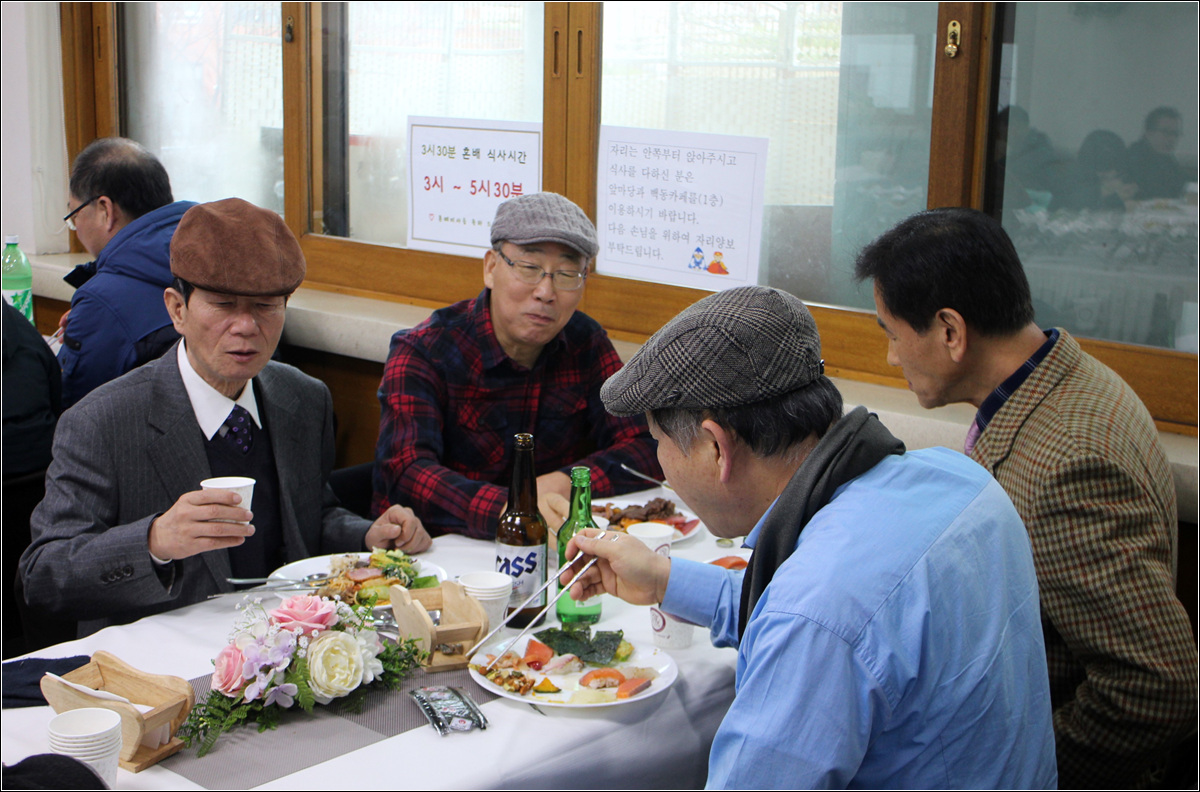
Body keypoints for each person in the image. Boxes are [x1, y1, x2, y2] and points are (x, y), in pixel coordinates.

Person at [562, 286, 1058, 789]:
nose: (661, 461)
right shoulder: (961, 479)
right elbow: (854, 627)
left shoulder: (815, 610)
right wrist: (662, 580)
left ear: (716, 448)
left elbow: (817, 623)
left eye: (658, 441)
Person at [854, 207, 1197, 789]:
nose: (891, 356)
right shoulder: (1061, 377)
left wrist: (1010, 772)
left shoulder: (1069, 464)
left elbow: (1158, 687)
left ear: (950, 331)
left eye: (891, 333)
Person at [20, 198, 431, 636]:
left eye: (266, 307)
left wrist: (367, 538)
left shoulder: (303, 399)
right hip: (160, 657)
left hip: (287, 644)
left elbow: (310, 516)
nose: (246, 327)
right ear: (177, 309)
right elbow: (44, 574)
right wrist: (154, 541)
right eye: (223, 305)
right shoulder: (103, 421)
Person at [373, 192, 660, 538]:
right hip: (439, 550)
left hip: (550, 547)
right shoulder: (424, 350)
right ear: (491, 268)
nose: (546, 292)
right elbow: (406, 471)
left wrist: (564, 483)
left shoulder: (586, 342)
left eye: (567, 273)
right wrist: (515, 509)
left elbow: (647, 447)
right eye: (529, 268)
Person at [58, 137, 196, 408]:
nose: (77, 228)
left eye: (75, 216)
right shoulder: (217, 251)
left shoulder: (103, 301)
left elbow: (75, 413)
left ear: (105, 210)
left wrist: (93, 317)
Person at [1122, 106, 1192, 200]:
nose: (1172, 139)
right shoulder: (1133, 158)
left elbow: (1182, 185)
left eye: (1175, 134)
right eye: (1166, 132)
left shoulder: (1166, 158)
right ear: (1148, 132)